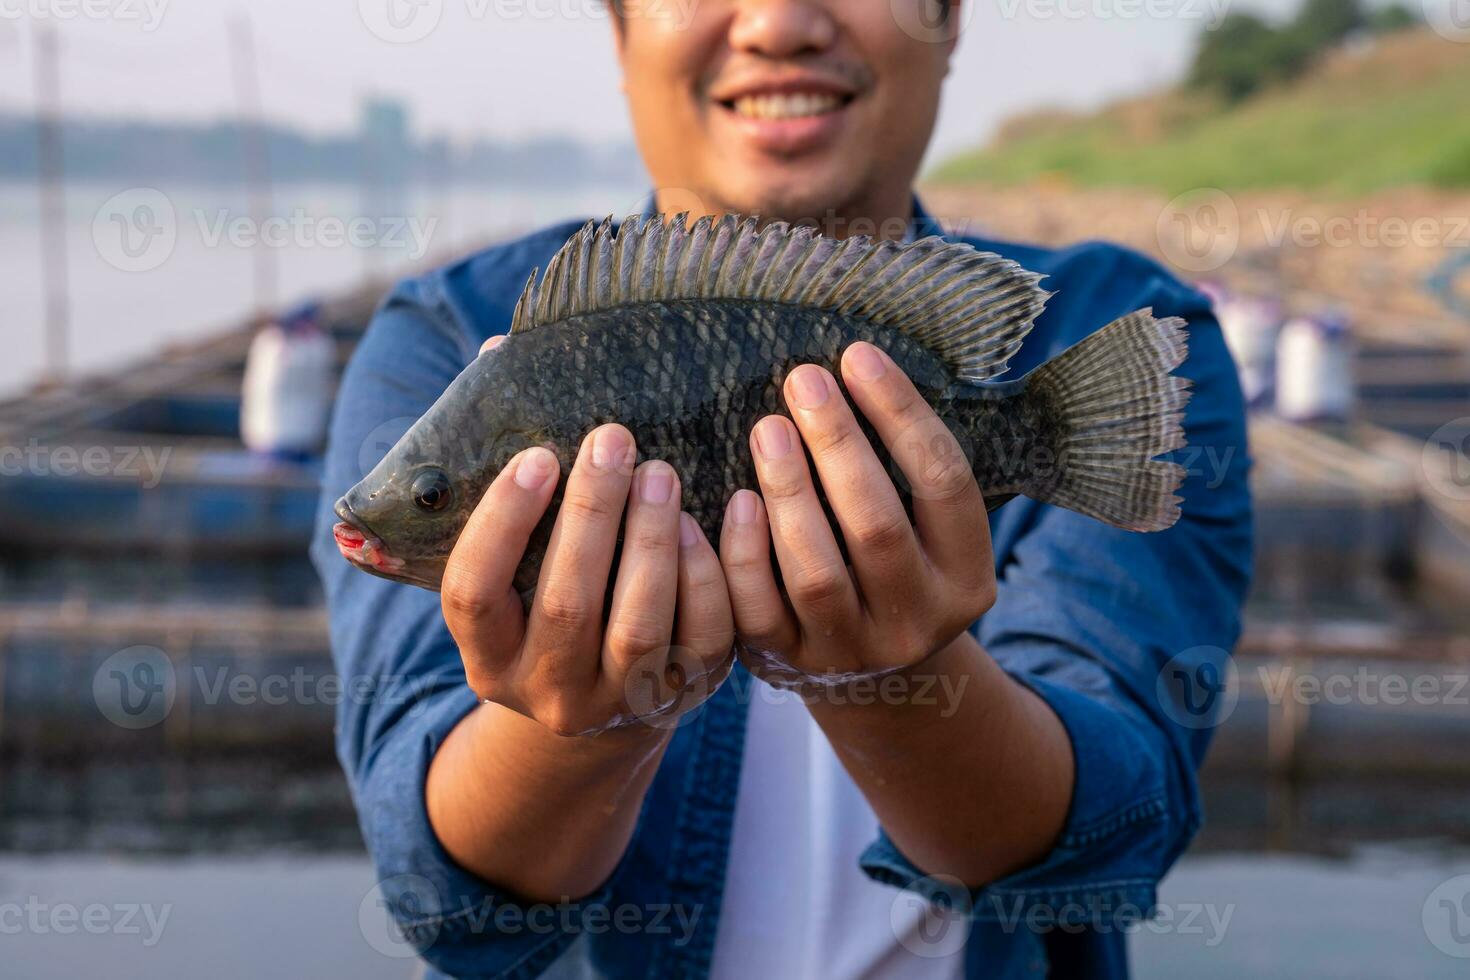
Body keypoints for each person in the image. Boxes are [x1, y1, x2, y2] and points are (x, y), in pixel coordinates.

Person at [310, 2, 1252, 977]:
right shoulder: (447, 334)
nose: (778, 21)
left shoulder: (1107, 320)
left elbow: (1118, 833)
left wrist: (890, 680)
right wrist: (590, 719)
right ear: (620, 32)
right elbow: (441, 899)